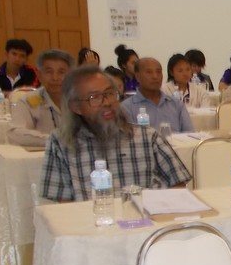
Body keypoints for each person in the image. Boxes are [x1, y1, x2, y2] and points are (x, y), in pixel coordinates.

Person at [40, 65, 191, 201]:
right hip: (92, 219)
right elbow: (62, 202)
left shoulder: (147, 136)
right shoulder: (61, 142)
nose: (106, 102)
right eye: (94, 97)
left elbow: (178, 183)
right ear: (75, 107)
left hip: (145, 219)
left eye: (109, 93)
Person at [7, 49, 72, 147]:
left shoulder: (82, 99)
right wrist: (54, 140)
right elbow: (14, 134)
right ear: (39, 75)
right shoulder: (27, 101)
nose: (55, 77)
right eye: (49, 72)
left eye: (61, 72)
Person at [121, 57, 193, 133]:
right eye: (149, 72)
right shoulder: (127, 108)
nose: (155, 76)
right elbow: (126, 138)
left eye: (158, 72)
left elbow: (190, 134)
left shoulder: (176, 104)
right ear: (137, 76)